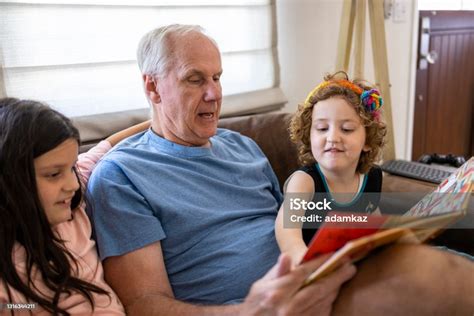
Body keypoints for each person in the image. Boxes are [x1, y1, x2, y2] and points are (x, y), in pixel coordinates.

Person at [87, 24, 474, 315]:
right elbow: (142, 304)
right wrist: (248, 311)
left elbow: (294, 220)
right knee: (437, 279)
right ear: (152, 88)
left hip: (320, 278)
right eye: (195, 79)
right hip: (262, 306)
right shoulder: (121, 175)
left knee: (451, 259)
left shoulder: (242, 146)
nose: (214, 93)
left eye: (217, 77)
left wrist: (378, 226)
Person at [0, 98, 149, 315]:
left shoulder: (72, 204)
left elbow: (108, 145)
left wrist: (162, 121)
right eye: (53, 174)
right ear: (10, 179)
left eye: (71, 168)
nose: (72, 184)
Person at [275, 72, 387, 264]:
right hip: (312, 271)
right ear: (308, 137)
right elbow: (287, 228)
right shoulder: (305, 182)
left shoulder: (373, 176)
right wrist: (299, 256)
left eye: (346, 129)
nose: (333, 137)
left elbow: (372, 219)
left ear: (368, 140)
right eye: (322, 128)